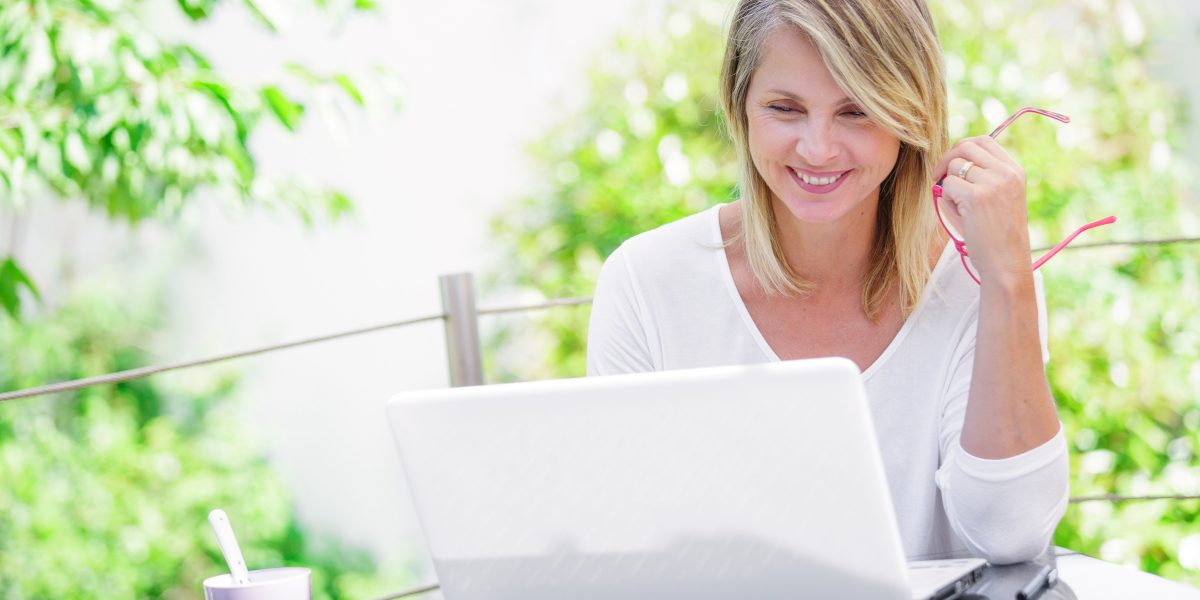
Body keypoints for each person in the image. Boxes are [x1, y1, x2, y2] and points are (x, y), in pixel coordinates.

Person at [585, 0, 1069, 565]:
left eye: (857, 111)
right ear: (740, 108)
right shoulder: (647, 283)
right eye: (785, 108)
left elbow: (1011, 533)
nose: (818, 148)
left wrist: (1009, 278)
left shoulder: (979, 281)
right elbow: (622, 542)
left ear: (911, 113)